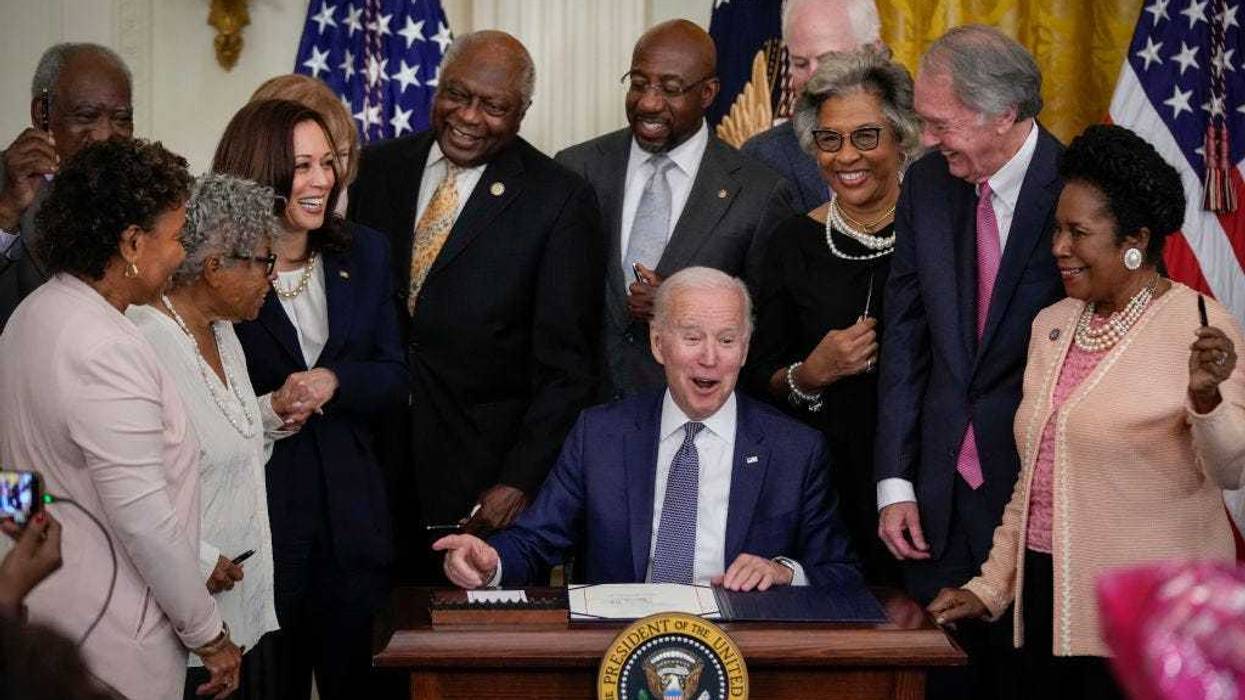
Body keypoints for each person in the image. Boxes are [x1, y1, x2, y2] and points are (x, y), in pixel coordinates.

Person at [926, 124, 1245, 699]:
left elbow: (1230, 469)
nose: (1059, 248)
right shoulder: (1053, 324)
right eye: (1057, 230)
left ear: (1135, 240)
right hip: (1053, 600)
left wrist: (1205, 398)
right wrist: (991, 586)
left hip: (1153, 619)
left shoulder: (1200, 326)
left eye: (1078, 233)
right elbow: (1036, 479)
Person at [433, 267, 860, 591]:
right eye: (692, 338)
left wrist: (784, 572)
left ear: (745, 349)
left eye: (727, 340)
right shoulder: (600, 433)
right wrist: (490, 561)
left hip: (741, 653)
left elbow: (841, 573)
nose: (710, 358)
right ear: (659, 344)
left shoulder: (795, 449)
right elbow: (538, 539)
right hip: (621, 650)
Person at [0, 137, 240, 700]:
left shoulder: (29, 317)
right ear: (132, 241)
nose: (182, 253)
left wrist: (38, 548)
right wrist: (209, 635)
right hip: (110, 636)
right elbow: (147, 523)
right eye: (177, 237)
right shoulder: (106, 347)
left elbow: (11, 479)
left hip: (43, 611)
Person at [348, 32, 604, 551]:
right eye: (457, 94)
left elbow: (568, 368)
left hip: (477, 483)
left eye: (493, 106)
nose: (468, 116)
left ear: (522, 112)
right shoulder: (374, 170)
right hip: (366, 462)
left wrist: (519, 479)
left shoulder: (557, 199)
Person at [873, 24, 1065, 700]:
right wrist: (894, 480)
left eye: (938, 123)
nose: (925, 140)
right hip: (934, 498)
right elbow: (905, 337)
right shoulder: (926, 185)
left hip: (1035, 502)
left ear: (1004, 114)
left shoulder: (1075, 193)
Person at [217, 99, 407, 700]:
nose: (323, 180)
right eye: (302, 166)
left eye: (328, 163)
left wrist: (336, 381)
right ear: (260, 171)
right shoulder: (216, 268)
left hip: (354, 526)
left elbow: (397, 375)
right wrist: (271, 404)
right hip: (260, 528)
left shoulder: (366, 252)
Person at [746, 46, 920, 585]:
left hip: (921, 486)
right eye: (829, 139)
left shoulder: (936, 233)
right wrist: (810, 373)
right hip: (820, 495)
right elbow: (755, 380)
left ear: (901, 138)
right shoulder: (790, 242)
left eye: (866, 136)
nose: (846, 156)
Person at [556, 20, 793, 401]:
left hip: (692, 417)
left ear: (708, 93)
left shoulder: (758, 193)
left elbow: (769, 328)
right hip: (582, 416)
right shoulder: (577, 169)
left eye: (670, 89)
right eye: (637, 83)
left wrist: (685, 309)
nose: (648, 102)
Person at [126, 173, 287, 699]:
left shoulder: (224, 330)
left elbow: (220, 440)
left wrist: (272, 413)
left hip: (241, 617)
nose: (273, 277)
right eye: (265, 261)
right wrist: (194, 559)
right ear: (216, 267)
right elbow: (126, 487)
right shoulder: (143, 340)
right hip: (182, 626)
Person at [0, 43, 133, 330]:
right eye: (86, 116)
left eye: (121, 119)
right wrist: (7, 214)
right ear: (42, 113)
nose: (104, 135)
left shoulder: (142, 191)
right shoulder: (6, 182)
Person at [741, 0, 882, 212]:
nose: (813, 78)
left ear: (873, 54)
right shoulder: (762, 159)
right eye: (800, 63)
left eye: (828, 60)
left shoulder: (922, 149)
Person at [250, 74, 358, 217]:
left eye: (337, 156)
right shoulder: (219, 234)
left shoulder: (368, 239)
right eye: (304, 164)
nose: (325, 179)